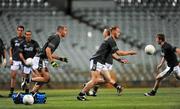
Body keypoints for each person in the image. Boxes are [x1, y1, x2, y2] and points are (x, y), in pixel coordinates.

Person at [77, 26, 136, 101]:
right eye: (118, 31)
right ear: (113, 31)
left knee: (108, 79)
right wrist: (130, 52)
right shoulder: (110, 39)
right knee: (95, 80)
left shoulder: (111, 40)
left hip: (102, 62)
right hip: (96, 60)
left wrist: (119, 60)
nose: (119, 33)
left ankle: (88, 84)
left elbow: (113, 54)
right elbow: (119, 53)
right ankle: (81, 94)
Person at [86, 28, 129, 96]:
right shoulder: (109, 40)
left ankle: (89, 86)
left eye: (104, 32)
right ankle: (117, 86)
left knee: (102, 79)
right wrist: (119, 59)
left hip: (105, 62)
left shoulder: (109, 40)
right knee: (105, 79)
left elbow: (113, 53)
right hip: (105, 62)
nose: (103, 33)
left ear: (107, 33)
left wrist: (120, 58)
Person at [30, 26, 68, 94]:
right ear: (60, 30)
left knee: (44, 79)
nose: (66, 33)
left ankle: (33, 92)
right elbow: (48, 50)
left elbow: (49, 52)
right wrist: (52, 62)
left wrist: (60, 58)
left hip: (41, 59)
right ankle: (28, 80)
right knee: (46, 78)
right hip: (40, 59)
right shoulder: (56, 38)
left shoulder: (55, 37)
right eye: (65, 31)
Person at [9, 25, 25, 97]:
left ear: (23, 31)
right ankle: (11, 91)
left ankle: (26, 91)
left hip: (23, 60)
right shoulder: (13, 40)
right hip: (15, 59)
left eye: (21, 30)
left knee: (25, 76)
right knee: (13, 76)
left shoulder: (26, 39)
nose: (20, 31)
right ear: (17, 31)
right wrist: (10, 58)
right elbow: (11, 49)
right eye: (19, 30)